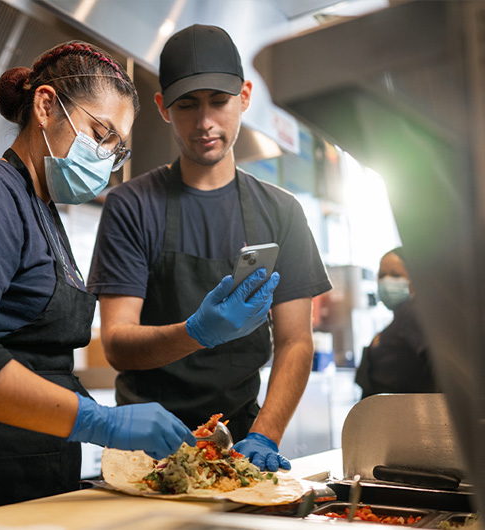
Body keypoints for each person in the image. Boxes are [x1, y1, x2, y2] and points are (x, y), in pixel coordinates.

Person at [0, 41, 195, 514]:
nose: (105, 160)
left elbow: (41, 360)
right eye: (100, 134)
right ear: (45, 107)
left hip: (35, 482)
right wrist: (101, 421)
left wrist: (106, 418)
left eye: (116, 149)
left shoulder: (42, 210)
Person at [87, 25, 332, 472]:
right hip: (144, 450)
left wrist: (265, 434)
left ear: (244, 96)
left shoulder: (283, 212)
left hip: (241, 446)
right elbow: (117, 343)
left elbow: (296, 341)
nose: (204, 123)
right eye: (187, 105)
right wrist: (196, 332)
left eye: (218, 101)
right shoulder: (131, 206)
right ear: (162, 107)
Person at [355, 247, 437, 398]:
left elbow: (437, 366)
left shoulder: (412, 313)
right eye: (381, 276)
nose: (386, 281)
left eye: (396, 275)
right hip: (385, 409)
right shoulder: (399, 318)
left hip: (405, 410)